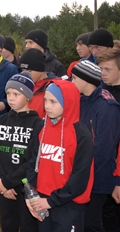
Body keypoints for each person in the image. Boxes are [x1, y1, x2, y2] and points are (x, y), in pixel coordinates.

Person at [25, 80, 94, 231]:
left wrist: (51, 201)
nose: (47, 106)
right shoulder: (41, 127)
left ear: (68, 103)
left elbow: (80, 177)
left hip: (69, 205)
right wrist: (30, 195)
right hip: (41, 198)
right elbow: (32, 162)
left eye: (53, 101)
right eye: (45, 100)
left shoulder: (81, 135)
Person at [0, 72, 41, 232]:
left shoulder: (36, 124)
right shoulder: (0, 121)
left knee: (28, 224)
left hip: (25, 186)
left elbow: (32, 158)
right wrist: (1, 181)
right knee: (7, 222)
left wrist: (9, 182)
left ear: (27, 96)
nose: (10, 98)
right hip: (3, 185)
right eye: (8, 93)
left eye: (16, 94)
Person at [71, 60, 120, 232]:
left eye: (75, 77)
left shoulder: (107, 106)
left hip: (97, 177)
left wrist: (81, 170)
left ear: (87, 80)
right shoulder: (79, 101)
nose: (72, 81)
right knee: (79, 222)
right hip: (79, 174)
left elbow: (104, 148)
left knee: (91, 223)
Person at [19, 48, 60, 119]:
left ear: (40, 69)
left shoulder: (55, 87)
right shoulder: (23, 84)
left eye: (29, 70)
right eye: (22, 71)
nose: (25, 74)